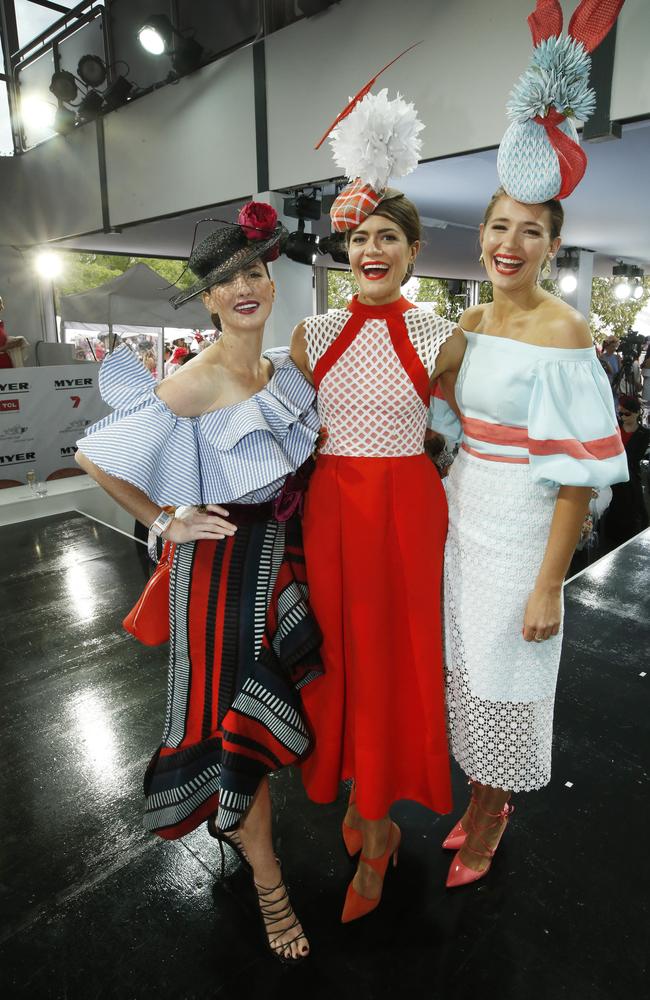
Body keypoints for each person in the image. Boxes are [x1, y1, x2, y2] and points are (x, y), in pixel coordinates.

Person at [75, 203, 321, 962]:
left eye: (253, 271)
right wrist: (162, 522)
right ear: (209, 299)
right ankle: (271, 889)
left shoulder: (280, 370)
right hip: (216, 576)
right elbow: (94, 456)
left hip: (278, 560)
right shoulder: (196, 378)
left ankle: (251, 849)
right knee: (230, 728)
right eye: (224, 281)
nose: (243, 287)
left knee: (263, 715)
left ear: (269, 280)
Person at [292, 86, 460, 920]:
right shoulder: (312, 335)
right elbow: (279, 427)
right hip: (331, 513)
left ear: (414, 250)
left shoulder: (439, 336)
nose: (372, 249)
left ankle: (379, 822)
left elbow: (480, 428)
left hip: (407, 511)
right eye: (360, 237)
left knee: (396, 660)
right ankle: (363, 798)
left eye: (388, 237)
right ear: (344, 250)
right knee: (341, 655)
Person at [431, 187, 629, 885]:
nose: (511, 244)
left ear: (551, 246)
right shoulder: (472, 319)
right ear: (481, 235)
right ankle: (483, 794)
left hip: (524, 526)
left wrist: (550, 586)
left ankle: (491, 812)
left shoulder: (565, 330)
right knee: (466, 666)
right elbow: (446, 402)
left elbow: (578, 478)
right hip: (465, 509)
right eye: (500, 228)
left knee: (505, 672)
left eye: (532, 232)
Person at [603, 395, 650, 546]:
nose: (622, 417)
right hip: (612, 479)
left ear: (636, 413)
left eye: (627, 413)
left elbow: (636, 459)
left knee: (630, 512)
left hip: (631, 482)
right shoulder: (614, 430)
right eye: (620, 413)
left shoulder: (644, 435)